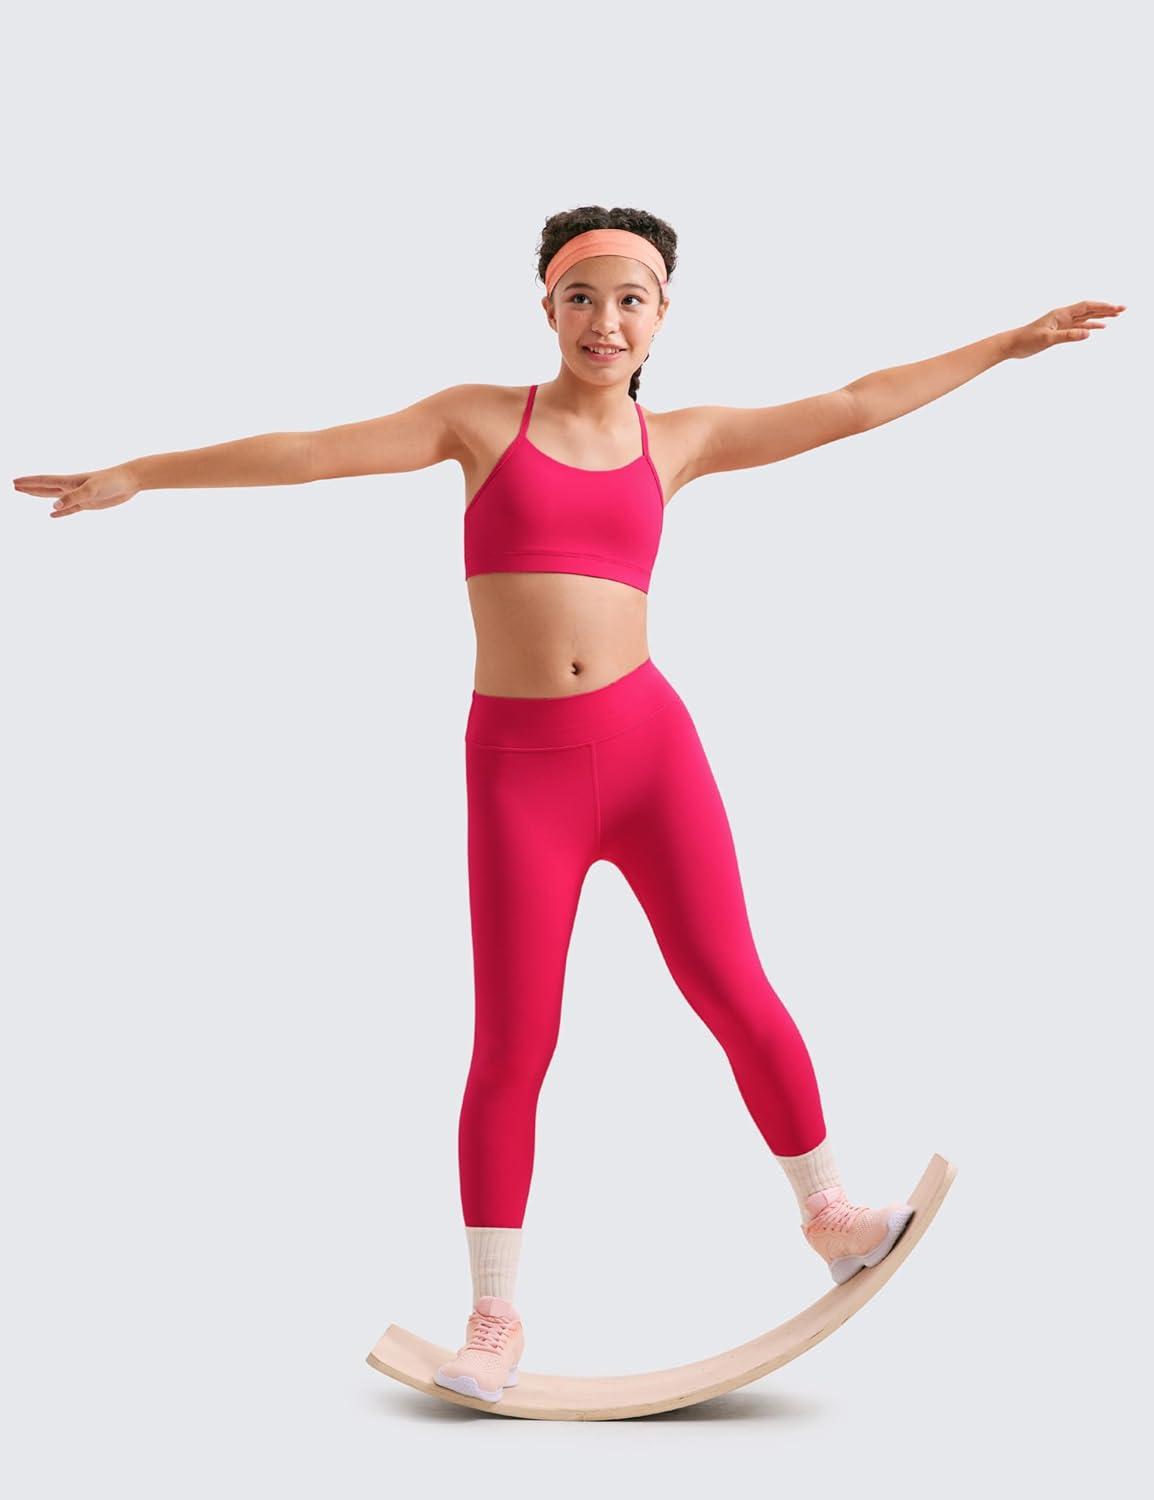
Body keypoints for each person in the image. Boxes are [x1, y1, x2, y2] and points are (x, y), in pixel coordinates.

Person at [14, 209, 1124, 1407]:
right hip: (519, 772)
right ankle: (492, 1317)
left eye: (629, 299)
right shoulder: (481, 420)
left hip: (650, 752)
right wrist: (144, 473)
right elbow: (311, 451)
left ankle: (828, 1214)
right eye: (581, 298)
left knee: (730, 985)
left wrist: (1004, 344)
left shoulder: (678, 440)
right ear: (546, 308)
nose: (605, 321)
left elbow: (853, 403)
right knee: (512, 1043)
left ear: (662, 315)